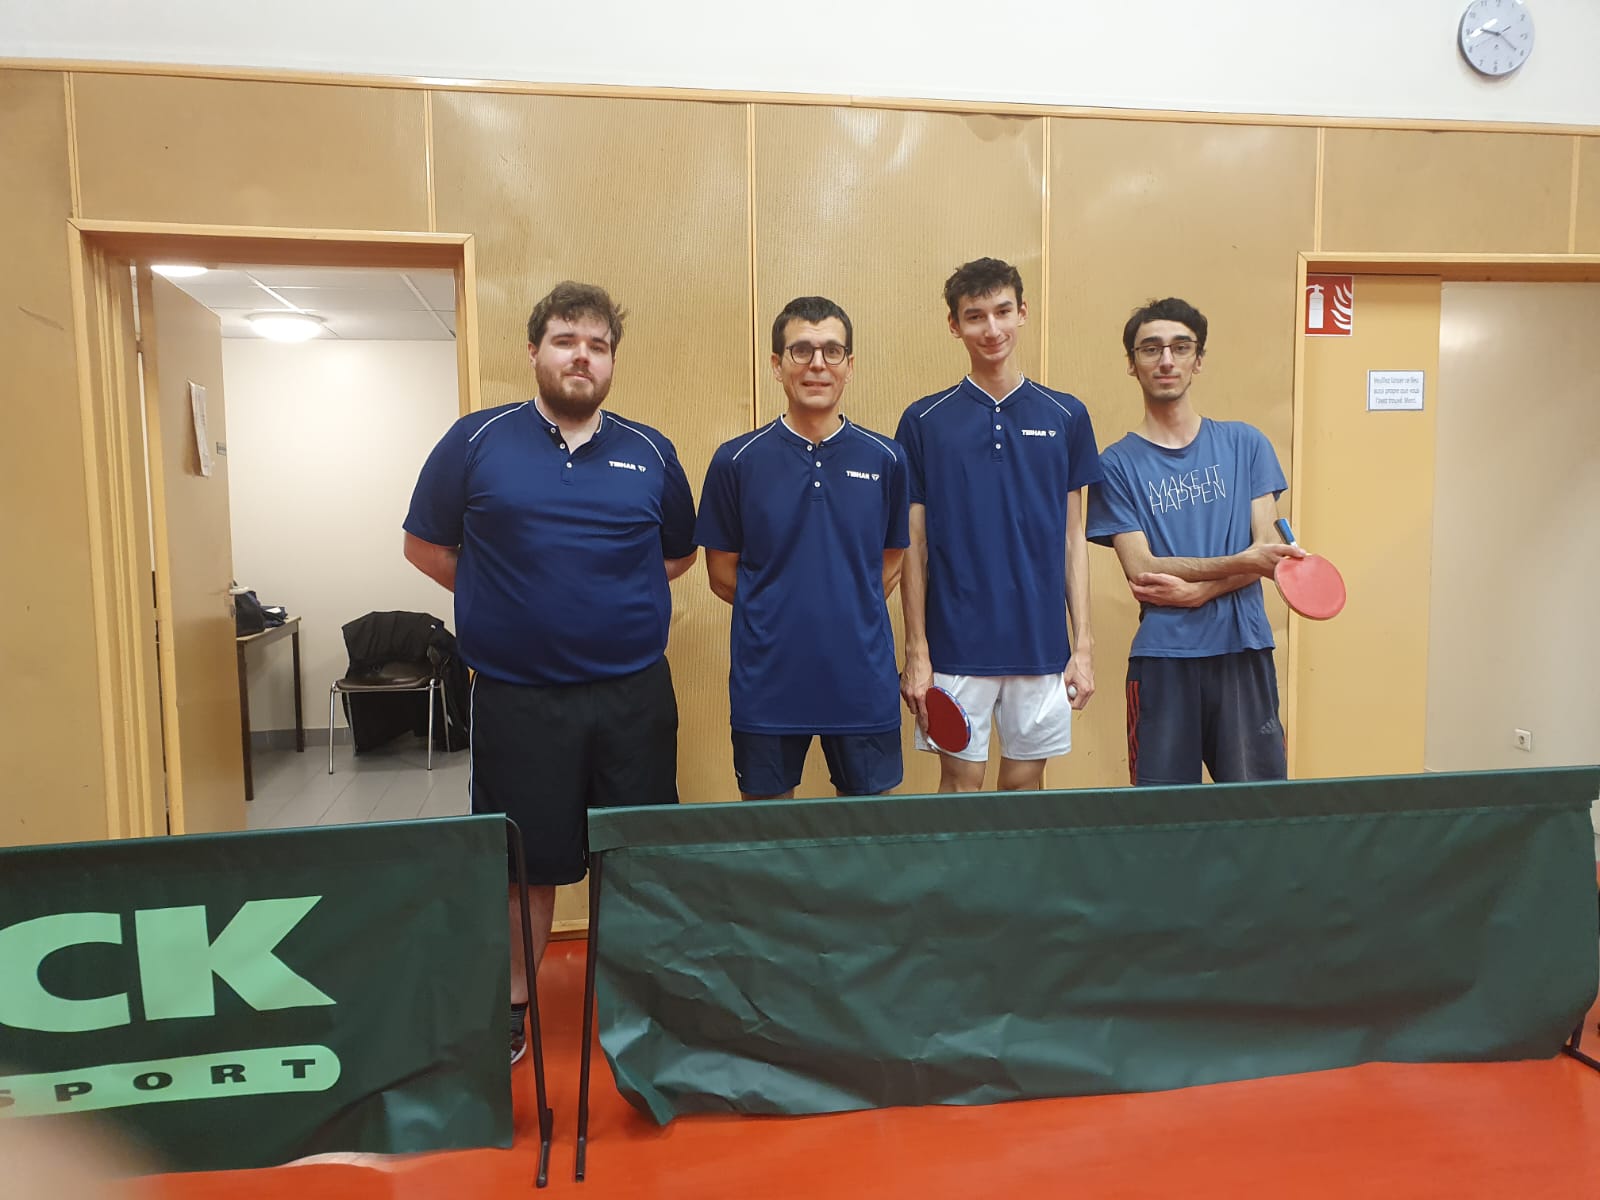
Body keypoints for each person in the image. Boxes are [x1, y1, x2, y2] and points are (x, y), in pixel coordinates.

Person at [402, 281, 697, 1061]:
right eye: (567, 341)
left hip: (633, 697)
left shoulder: (651, 451)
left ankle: (636, 997)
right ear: (534, 351)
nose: (582, 357)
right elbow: (425, 547)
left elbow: (675, 557)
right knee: (523, 865)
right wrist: (505, 596)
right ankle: (512, 1003)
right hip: (518, 699)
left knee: (632, 855)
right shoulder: (474, 441)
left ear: (612, 361)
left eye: (598, 345)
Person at [896, 258, 1101, 792]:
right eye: (975, 316)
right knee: (960, 788)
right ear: (954, 325)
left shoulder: (1066, 415)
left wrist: (1082, 647)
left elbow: (1073, 540)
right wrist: (917, 650)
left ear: (1022, 312)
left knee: (1024, 794)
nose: (992, 329)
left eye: (1003, 312)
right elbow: (913, 544)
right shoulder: (923, 421)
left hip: (1041, 645)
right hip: (955, 644)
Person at [696, 296, 909, 800]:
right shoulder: (735, 461)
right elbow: (722, 575)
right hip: (767, 685)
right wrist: (780, 611)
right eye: (801, 350)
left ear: (849, 366)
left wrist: (843, 605)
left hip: (862, 683)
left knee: (869, 832)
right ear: (776, 364)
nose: (817, 364)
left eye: (832, 351)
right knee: (768, 831)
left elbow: (889, 565)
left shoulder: (887, 459)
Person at [1086, 297, 1302, 786]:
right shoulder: (1114, 465)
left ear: (1198, 360)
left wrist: (1199, 590)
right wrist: (1242, 563)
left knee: (1256, 807)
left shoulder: (1247, 444)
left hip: (1244, 649)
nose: (1166, 360)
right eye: (1151, 349)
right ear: (1132, 364)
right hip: (1164, 658)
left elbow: (1267, 555)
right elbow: (1141, 567)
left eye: (1180, 347)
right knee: (1164, 816)